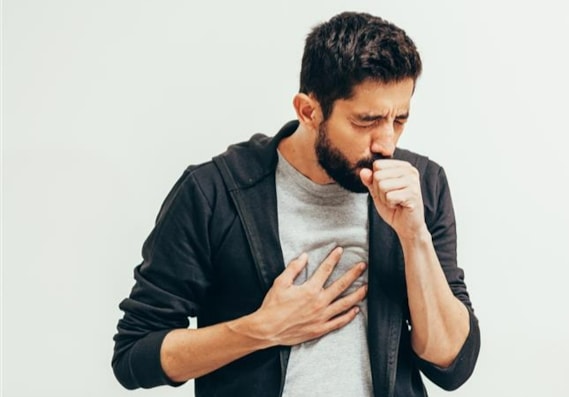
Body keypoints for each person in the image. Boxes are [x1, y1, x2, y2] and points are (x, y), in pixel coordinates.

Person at [112, 11, 480, 397]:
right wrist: (261, 328)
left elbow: (450, 364)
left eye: (399, 120)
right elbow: (135, 356)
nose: (386, 143)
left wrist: (414, 235)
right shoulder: (215, 192)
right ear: (308, 111)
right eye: (366, 121)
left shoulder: (422, 186)